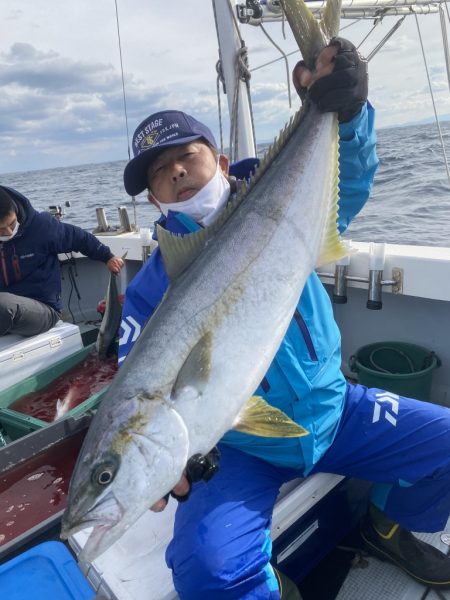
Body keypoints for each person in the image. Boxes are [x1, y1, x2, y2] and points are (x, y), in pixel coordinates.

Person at [119, 38, 450, 599]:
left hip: (335, 408)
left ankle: (386, 524)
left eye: (186, 156)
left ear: (220, 162)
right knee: (208, 570)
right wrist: (172, 457)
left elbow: (350, 176)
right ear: (153, 200)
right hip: (242, 447)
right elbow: (140, 386)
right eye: (159, 171)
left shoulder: (287, 204)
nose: (176, 171)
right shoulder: (149, 292)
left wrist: (346, 112)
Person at [0, 185, 124, 337]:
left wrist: (107, 257)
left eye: (12, 224)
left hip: (43, 311)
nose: (8, 232)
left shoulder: (41, 227)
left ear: (16, 211)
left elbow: (78, 238)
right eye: (0, 230)